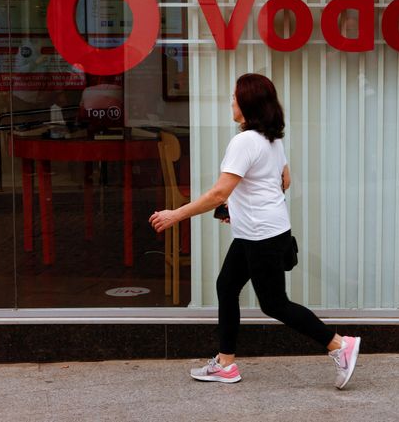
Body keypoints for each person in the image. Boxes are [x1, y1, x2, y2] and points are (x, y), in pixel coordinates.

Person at [149, 73, 361, 389]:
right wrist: (243, 210)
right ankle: (225, 364)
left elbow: (219, 193)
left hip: (262, 234)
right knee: (226, 285)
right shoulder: (271, 139)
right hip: (262, 230)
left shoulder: (245, 141)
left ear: (247, 103)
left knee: (274, 304)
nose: (231, 101)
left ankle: (339, 345)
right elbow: (283, 181)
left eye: (235, 96)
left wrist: (174, 215)